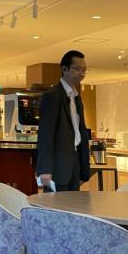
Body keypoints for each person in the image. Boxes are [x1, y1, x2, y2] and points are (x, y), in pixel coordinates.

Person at [36, 50, 91, 192]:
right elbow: (45, 135)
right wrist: (45, 170)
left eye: (84, 70)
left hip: (75, 165)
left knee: (74, 204)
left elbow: (80, 131)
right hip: (58, 167)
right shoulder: (52, 96)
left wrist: (84, 169)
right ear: (65, 69)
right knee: (55, 205)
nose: (81, 73)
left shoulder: (76, 97)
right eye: (77, 69)